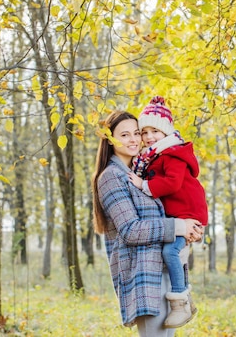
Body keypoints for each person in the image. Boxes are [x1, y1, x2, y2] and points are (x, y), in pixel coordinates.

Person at [91, 110, 204, 336]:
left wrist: (191, 228)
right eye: (124, 135)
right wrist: (179, 227)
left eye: (136, 133)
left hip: (163, 268)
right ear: (110, 140)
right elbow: (131, 230)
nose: (133, 139)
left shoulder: (142, 171)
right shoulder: (111, 176)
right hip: (143, 273)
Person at [129, 96, 209, 329]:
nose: (149, 137)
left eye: (155, 131)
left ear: (166, 131)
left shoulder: (172, 154)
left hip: (187, 213)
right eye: (145, 132)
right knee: (175, 252)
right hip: (179, 214)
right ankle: (186, 299)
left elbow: (172, 184)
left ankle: (179, 302)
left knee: (171, 252)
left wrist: (143, 185)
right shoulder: (154, 155)